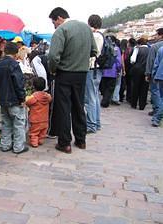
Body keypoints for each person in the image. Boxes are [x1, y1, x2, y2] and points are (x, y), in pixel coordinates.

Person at [48, 7, 97, 153]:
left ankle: (65, 143)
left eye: (53, 22)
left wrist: (53, 69)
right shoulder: (86, 28)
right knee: (78, 105)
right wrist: (80, 58)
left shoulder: (61, 30)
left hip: (65, 73)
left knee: (63, 108)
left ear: (58, 18)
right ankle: (81, 140)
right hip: (82, 74)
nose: (54, 26)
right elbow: (94, 51)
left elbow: (53, 56)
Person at [0, 42, 28, 154]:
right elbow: (19, 84)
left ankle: (5, 145)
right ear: (16, 53)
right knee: (18, 124)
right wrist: (22, 99)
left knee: (6, 123)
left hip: (3, 100)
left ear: (5, 51)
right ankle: (18, 147)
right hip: (15, 100)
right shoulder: (14, 65)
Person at [85, 14, 104, 134]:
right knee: (95, 96)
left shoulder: (94, 35)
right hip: (98, 70)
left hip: (92, 69)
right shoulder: (101, 35)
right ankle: (96, 122)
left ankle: (91, 124)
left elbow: (91, 53)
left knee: (89, 98)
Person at [26, 77, 52, 147]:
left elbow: (28, 102)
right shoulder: (47, 96)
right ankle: (40, 140)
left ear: (34, 87)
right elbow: (50, 99)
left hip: (35, 120)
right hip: (45, 119)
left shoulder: (34, 97)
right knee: (43, 132)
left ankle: (34, 143)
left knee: (34, 132)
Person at [145, 28, 163, 117]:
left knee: (155, 93)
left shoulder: (155, 47)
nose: (155, 36)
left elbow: (151, 62)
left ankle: (157, 111)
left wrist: (148, 74)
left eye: (156, 34)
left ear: (160, 35)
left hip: (156, 75)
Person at [100, 35, 122, 108]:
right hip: (113, 71)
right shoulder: (116, 49)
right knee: (110, 88)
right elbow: (118, 61)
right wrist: (118, 70)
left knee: (104, 87)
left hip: (103, 70)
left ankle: (104, 99)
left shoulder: (104, 47)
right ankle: (105, 101)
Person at [129, 35, 150, 110]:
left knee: (135, 87)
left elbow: (132, 60)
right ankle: (142, 105)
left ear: (139, 43)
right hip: (146, 70)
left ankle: (134, 104)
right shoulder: (150, 50)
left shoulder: (137, 49)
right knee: (144, 88)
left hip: (137, 70)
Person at [151, 46, 163, 127]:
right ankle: (157, 118)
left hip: (160, 75)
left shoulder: (161, 49)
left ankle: (157, 117)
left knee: (161, 98)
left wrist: (154, 74)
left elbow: (156, 64)